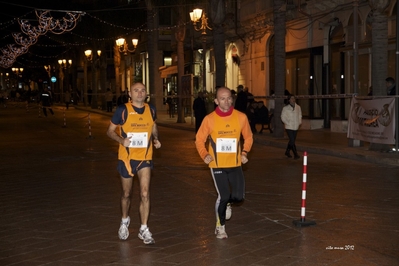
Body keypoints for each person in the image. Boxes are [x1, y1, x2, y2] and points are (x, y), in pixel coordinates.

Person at [106, 82, 161, 244]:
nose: (139, 93)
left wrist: (156, 139)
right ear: (130, 94)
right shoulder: (123, 110)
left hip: (145, 156)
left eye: (142, 90)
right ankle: (124, 221)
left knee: (145, 193)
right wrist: (122, 140)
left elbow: (154, 127)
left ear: (146, 93)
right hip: (127, 158)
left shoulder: (151, 109)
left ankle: (144, 228)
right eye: (136, 90)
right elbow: (109, 131)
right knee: (126, 194)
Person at [195, 86, 253, 239]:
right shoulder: (209, 119)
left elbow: (248, 137)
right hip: (217, 165)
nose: (226, 101)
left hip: (235, 164)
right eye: (222, 98)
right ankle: (220, 227)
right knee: (224, 195)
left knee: (239, 197)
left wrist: (245, 152)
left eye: (229, 98)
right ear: (216, 101)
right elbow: (199, 140)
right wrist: (205, 154)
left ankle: (227, 203)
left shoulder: (241, 117)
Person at [281, 94, 302, 159]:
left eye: (294, 98)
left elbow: (300, 115)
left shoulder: (298, 107)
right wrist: (287, 122)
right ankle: (295, 154)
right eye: (292, 98)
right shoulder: (285, 108)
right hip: (289, 127)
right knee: (292, 140)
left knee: (291, 141)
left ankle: (287, 151)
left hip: (295, 126)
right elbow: (283, 117)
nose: (293, 100)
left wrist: (299, 122)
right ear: (289, 100)